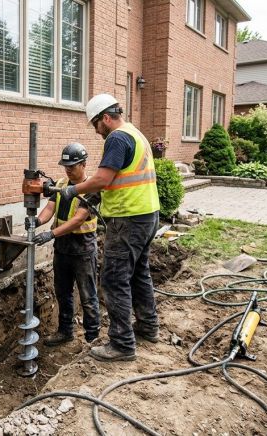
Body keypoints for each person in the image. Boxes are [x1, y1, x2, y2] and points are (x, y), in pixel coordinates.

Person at [57, 93, 161, 362]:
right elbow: (115, 178)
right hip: (147, 214)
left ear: (105, 117)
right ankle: (148, 326)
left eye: (95, 124)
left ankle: (122, 344)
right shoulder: (136, 134)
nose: (96, 130)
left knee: (114, 279)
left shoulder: (116, 138)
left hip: (128, 218)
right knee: (139, 273)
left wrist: (72, 191)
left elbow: (102, 179)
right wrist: (89, 194)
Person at [31, 143, 100, 346]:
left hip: (83, 250)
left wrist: (50, 234)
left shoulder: (92, 188)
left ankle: (92, 338)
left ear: (84, 164)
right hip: (62, 248)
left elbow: (78, 219)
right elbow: (50, 208)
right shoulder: (61, 184)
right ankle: (65, 331)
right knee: (63, 293)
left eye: (72, 166)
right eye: (65, 166)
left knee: (88, 296)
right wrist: (37, 221)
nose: (68, 170)